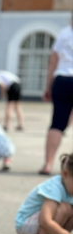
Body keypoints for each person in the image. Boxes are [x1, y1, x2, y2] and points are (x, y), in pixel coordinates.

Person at [16, 153, 73, 234]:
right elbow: (45, 221)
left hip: (40, 225)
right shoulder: (54, 187)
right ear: (65, 174)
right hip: (26, 227)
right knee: (64, 207)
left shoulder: (70, 186)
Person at [40, 16, 73, 176]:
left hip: (63, 79)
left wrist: (48, 86)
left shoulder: (65, 33)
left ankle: (48, 164)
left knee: (57, 124)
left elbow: (53, 59)